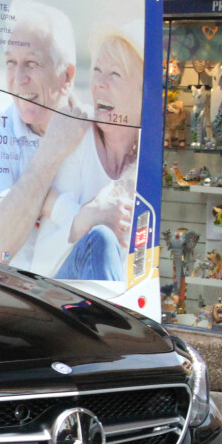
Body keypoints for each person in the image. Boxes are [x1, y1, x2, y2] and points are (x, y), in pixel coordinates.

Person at [0, 1, 90, 271]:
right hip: (16, 295)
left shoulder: (97, 132)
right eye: (11, 63)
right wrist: (50, 153)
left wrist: (40, 203)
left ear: (67, 76)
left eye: (32, 63)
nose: (18, 78)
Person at [47, 21, 146, 281]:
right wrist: (87, 217)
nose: (99, 83)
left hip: (117, 290)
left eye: (114, 74)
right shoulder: (77, 135)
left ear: (143, 95)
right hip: (55, 288)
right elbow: (45, 240)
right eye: (97, 71)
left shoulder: (147, 160)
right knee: (100, 238)